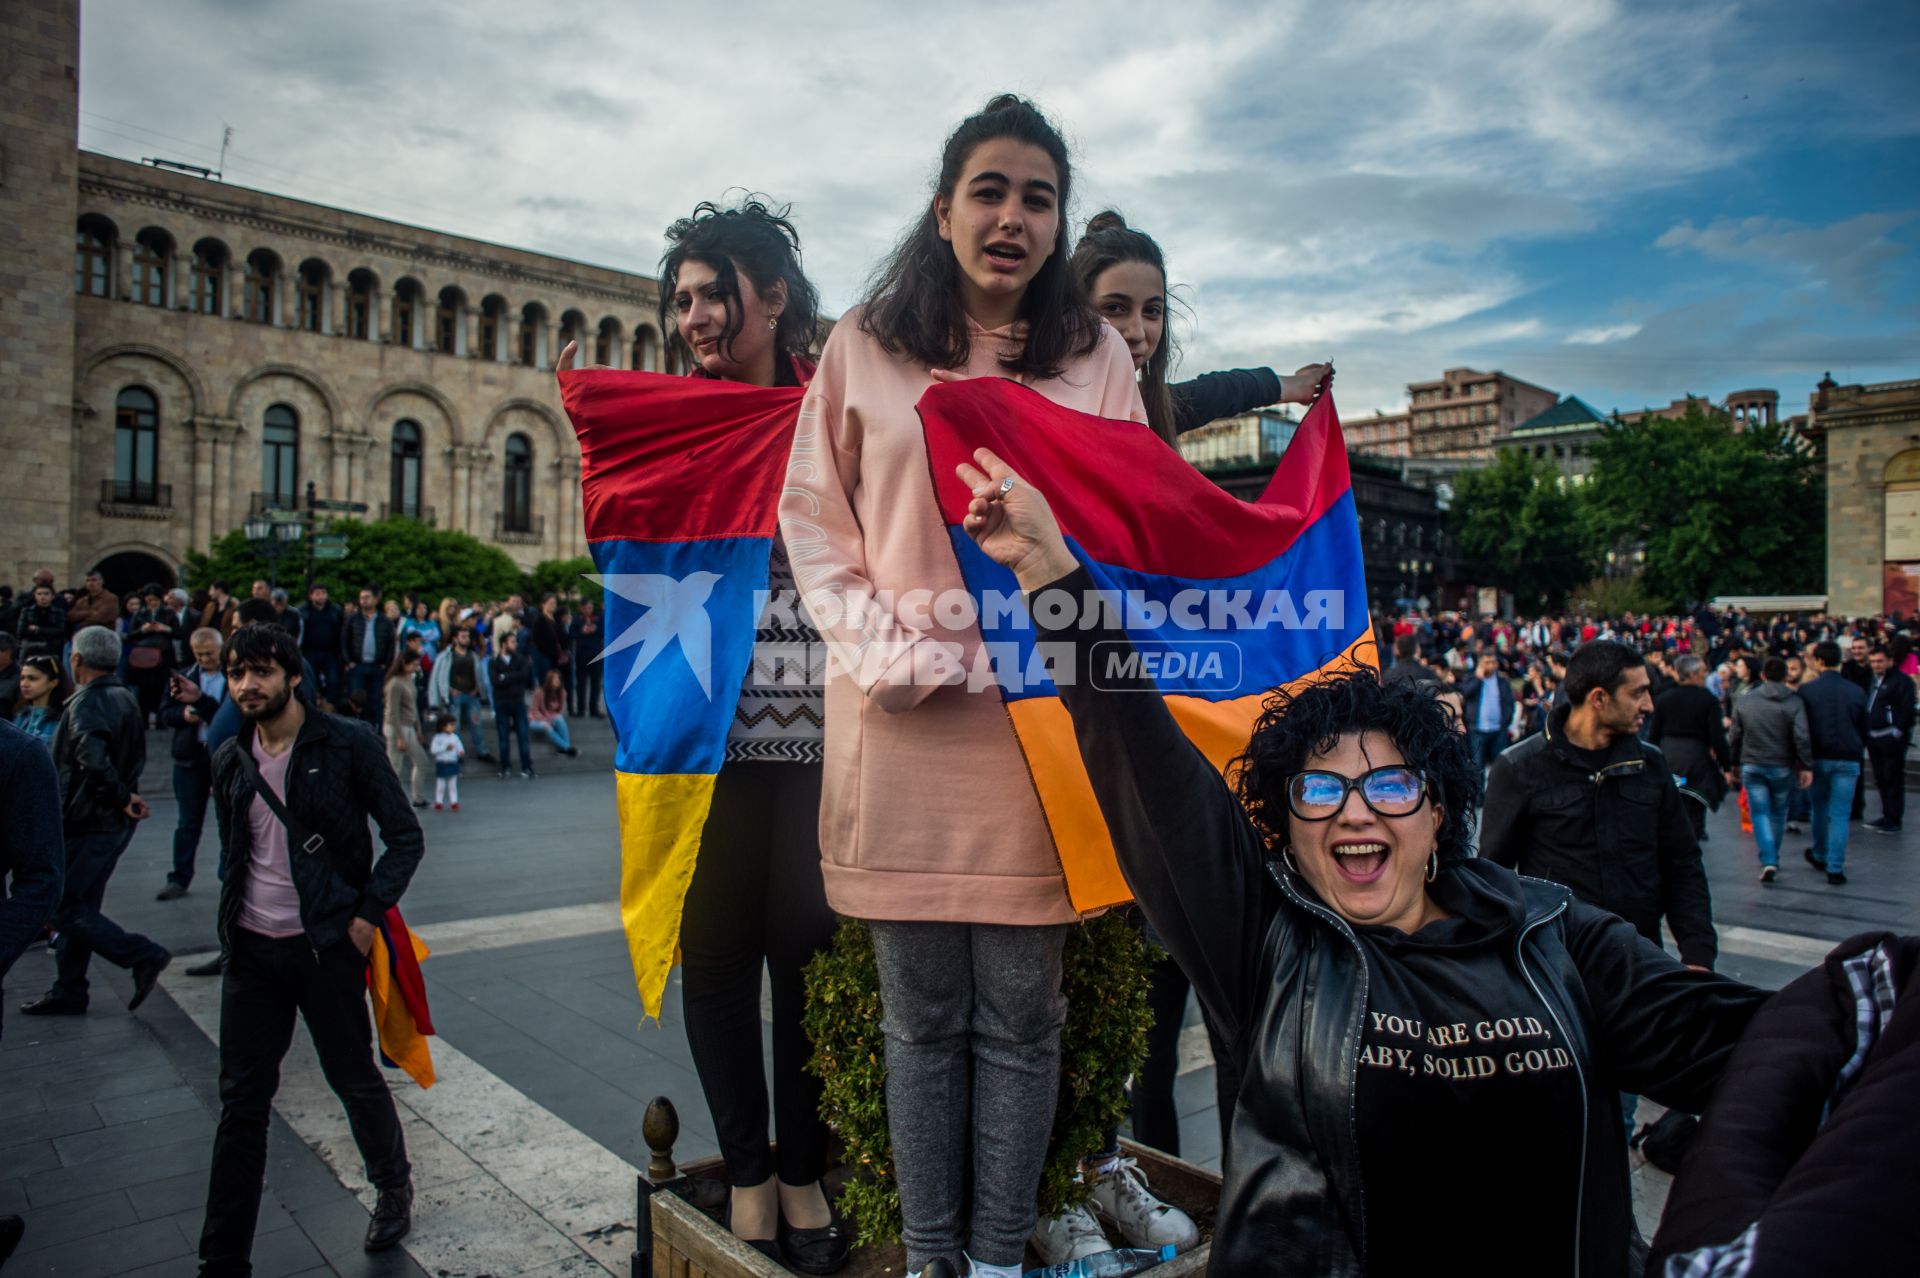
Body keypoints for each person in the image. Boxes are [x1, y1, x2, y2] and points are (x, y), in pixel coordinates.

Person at [950, 453, 1767, 1275]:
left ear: (1439, 809)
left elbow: (1768, 1056)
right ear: (1288, 828)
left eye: (1388, 784)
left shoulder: (1558, 939)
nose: (1354, 809)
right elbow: (1141, 756)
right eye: (1319, 788)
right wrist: (1050, 569)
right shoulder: (1265, 947)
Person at [776, 96, 1145, 1278]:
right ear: (944, 211)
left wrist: (1053, 552)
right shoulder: (864, 345)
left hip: (1039, 740)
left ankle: (993, 1261)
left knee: (1025, 1024)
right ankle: (934, 1258)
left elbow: (1134, 530)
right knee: (919, 1022)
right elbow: (813, 523)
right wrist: (889, 653)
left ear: (1057, 223)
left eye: (1039, 197)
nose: (1013, 217)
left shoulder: (1097, 360)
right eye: (990, 190)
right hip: (902, 725)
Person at [199, 623, 424, 1270]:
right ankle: (221, 1259)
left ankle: (391, 1184)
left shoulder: (346, 742)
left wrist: (364, 919)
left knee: (352, 1077)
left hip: (325, 945)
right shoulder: (229, 756)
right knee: (241, 1105)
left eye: (262, 672)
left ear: (292, 676)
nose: (247, 684)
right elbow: (234, 855)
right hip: (251, 952)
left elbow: (405, 837)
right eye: (239, 673)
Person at [1483, 641, 1719, 969]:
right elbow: (1493, 877)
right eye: (1638, 693)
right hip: (1560, 962)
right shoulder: (1521, 767)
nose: (1649, 705)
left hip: (1641, 958)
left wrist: (1698, 955)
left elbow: (1682, 863)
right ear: (1598, 699)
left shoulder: (1650, 764)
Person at [18, 625, 171, 1019]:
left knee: (60, 905)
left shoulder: (87, 702)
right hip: (105, 819)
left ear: (76, 660)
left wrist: (119, 797)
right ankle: (69, 988)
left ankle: (141, 954)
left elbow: (92, 759)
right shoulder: (124, 696)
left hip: (89, 820)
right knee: (80, 904)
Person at [1067, 210, 1325, 440]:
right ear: (1073, 309)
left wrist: (1292, 385)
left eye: (1152, 311)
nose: (1137, 332)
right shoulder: (1034, 401)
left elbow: (1222, 391)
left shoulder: (1153, 410)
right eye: (1114, 308)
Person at [155, 628, 229, 900]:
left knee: (229, 820)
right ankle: (179, 876)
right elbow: (165, 712)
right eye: (200, 654)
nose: (205, 658)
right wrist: (183, 714)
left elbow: (227, 714)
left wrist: (201, 703)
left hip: (222, 754)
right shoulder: (183, 676)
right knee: (188, 821)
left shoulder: (232, 677)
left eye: (209, 653)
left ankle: (229, 874)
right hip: (190, 755)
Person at [1729, 656, 1814, 883]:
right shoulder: (1794, 702)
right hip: (1781, 764)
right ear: (1785, 675)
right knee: (1778, 813)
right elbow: (1802, 737)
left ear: (1763, 676)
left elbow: (1735, 735)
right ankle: (1771, 855)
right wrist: (1805, 764)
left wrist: (1732, 762)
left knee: (1759, 812)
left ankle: (1768, 858)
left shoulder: (1746, 701)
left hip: (1752, 762)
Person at [1798, 641, 1868, 885]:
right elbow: (1863, 727)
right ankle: (1835, 867)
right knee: (1841, 814)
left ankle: (1820, 853)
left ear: (1818, 661)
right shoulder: (1856, 691)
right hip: (1848, 757)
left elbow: (1802, 728)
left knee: (1820, 809)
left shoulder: (1807, 691)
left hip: (1818, 757)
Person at [1648, 654, 1733, 840]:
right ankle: (1693, 835)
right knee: (1695, 802)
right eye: (1703, 672)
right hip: (1696, 758)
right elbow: (1717, 737)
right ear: (1694, 674)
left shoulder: (1664, 699)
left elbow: (1653, 734)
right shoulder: (1707, 700)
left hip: (1669, 756)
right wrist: (1726, 766)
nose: (1706, 675)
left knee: (1673, 800)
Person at [1862, 644, 1915, 834]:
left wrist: (1897, 731)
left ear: (1890, 661)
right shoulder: (1872, 680)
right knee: (1881, 777)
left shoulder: (1902, 682)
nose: (1876, 665)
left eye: (1880, 661)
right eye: (1873, 661)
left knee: (1893, 778)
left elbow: (1908, 709)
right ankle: (1886, 814)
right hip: (1874, 737)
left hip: (1890, 738)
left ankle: (1894, 818)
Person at [427, 623, 493, 763]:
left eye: (467, 637)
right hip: (455, 695)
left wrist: (478, 689)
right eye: (463, 637)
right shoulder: (446, 656)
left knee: (477, 724)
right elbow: (439, 676)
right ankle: (455, 752)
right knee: (454, 726)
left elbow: (478, 674)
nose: (466, 639)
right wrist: (448, 690)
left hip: (471, 694)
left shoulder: (472, 655)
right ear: (455, 639)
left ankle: (482, 751)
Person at [383, 652, 433, 808]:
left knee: (421, 761)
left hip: (408, 725)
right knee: (395, 765)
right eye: (414, 664)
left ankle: (417, 797)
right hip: (398, 727)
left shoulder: (408, 680)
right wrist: (400, 736)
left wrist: (418, 728)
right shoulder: (395, 683)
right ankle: (391, 800)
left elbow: (413, 706)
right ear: (404, 664)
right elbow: (393, 712)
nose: (416, 668)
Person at [341, 587, 395, 730]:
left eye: (367, 597)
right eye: (362, 597)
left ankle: (374, 730)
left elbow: (391, 643)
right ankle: (354, 729)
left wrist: (386, 664)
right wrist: (348, 662)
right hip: (357, 665)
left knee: (375, 700)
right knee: (356, 700)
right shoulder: (352, 620)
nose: (364, 600)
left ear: (376, 599)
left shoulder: (385, 621)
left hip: (377, 666)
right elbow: (344, 641)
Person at [488, 628, 534, 779]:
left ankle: (527, 766)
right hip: (502, 702)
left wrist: (505, 677)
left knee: (523, 735)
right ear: (503, 644)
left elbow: (524, 676)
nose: (515, 644)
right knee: (503, 736)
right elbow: (495, 681)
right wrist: (512, 677)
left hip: (517, 700)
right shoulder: (494, 662)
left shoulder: (520, 659)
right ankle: (505, 767)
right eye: (512, 642)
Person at [1459, 651, 1515, 769]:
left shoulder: (1502, 681)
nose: (1490, 665)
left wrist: (1506, 720)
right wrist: (1477, 679)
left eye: (1493, 662)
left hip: (1498, 729)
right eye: (1487, 662)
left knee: (1500, 767)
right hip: (1477, 730)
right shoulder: (1471, 678)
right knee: (1477, 766)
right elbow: (1464, 694)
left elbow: (1509, 702)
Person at [299, 583, 344, 706]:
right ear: (311, 596)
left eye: (323, 593)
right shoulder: (302, 611)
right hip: (310, 651)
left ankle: (331, 706)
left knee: (333, 680)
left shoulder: (335, 610)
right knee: (310, 679)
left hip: (330, 651)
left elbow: (341, 631)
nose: (321, 596)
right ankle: (311, 704)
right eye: (318, 594)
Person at [11, 654, 67, 748]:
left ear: (53, 682)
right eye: (22, 678)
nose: (24, 684)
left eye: (32, 678)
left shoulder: (63, 719)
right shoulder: (21, 716)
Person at [526, 667, 578, 757]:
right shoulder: (540, 692)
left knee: (559, 719)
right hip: (536, 720)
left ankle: (565, 748)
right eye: (555, 678)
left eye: (558, 678)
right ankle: (568, 748)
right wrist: (545, 719)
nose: (557, 681)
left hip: (550, 719)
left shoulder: (562, 693)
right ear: (549, 680)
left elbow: (559, 711)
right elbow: (534, 711)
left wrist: (549, 719)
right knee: (546, 726)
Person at [568, 597, 603, 717]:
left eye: (591, 607)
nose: (590, 609)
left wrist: (595, 629)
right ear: (582, 608)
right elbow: (571, 634)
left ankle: (594, 709)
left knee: (595, 683)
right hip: (581, 655)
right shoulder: (577, 620)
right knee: (581, 683)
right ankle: (581, 709)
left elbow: (605, 630)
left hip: (596, 654)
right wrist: (582, 632)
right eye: (587, 607)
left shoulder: (598, 618)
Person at [15, 580, 67, 659]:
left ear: (52, 596)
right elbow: (21, 630)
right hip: (30, 647)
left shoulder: (58, 612)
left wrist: (38, 629)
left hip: (51, 647)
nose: (42, 597)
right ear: (34, 596)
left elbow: (59, 630)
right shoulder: (27, 611)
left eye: (46, 594)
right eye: (39, 594)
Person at [429, 714, 464, 812]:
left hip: (452, 762)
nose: (453, 727)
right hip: (442, 762)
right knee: (441, 784)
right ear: (443, 726)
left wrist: (460, 751)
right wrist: (445, 748)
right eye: (451, 725)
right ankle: (439, 801)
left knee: (452, 784)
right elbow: (433, 750)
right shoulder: (437, 737)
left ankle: (454, 801)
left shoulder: (455, 737)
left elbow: (459, 746)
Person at [527, 592, 564, 684]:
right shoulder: (539, 620)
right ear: (543, 604)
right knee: (546, 683)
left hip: (556, 656)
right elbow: (537, 640)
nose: (553, 605)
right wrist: (549, 650)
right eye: (550, 603)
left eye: (555, 603)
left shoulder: (557, 619)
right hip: (544, 657)